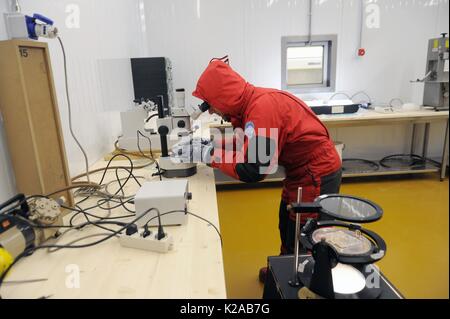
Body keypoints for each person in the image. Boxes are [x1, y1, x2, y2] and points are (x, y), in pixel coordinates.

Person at [172, 57, 342, 283]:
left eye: (211, 104)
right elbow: (247, 141)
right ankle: (283, 268)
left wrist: (208, 155)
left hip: (316, 172)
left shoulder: (262, 109)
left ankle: (302, 282)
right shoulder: (251, 104)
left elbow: (254, 169)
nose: (212, 111)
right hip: (299, 171)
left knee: (304, 230)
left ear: (224, 96)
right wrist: (210, 144)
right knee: (287, 219)